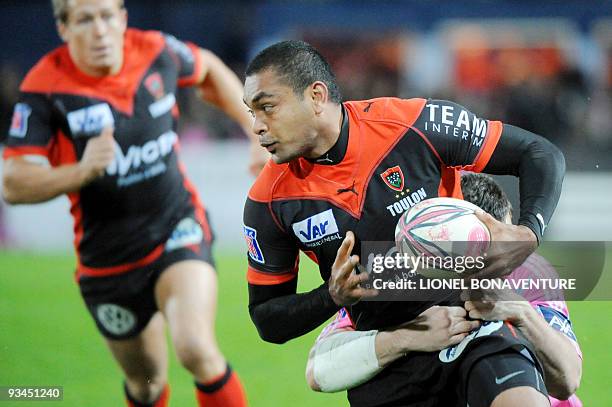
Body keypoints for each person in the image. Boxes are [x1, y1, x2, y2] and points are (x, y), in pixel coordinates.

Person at [242, 40, 565, 406]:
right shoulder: (268, 202)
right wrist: (331, 296)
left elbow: (539, 154)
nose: (257, 126)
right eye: (251, 112)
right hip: (388, 358)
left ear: (316, 96)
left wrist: (527, 232)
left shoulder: (411, 124)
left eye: (267, 107)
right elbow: (267, 319)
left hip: (474, 329)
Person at [2, 0, 259, 406]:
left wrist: (253, 129)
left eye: (107, 16)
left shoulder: (156, 51)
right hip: (107, 259)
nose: (100, 30)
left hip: (177, 226)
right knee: (147, 384)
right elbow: (14, 184)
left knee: (195, 348)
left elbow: (207, 66)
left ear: (123, 18)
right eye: (85, 19)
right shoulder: (45, 87)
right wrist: (82, 172)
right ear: (63, 29)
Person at [306, 173, 582, 406]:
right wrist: (407, 336)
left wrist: (522, 314)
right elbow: (319, 371)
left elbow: (567, 378)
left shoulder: (528, 271)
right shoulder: (396, 276)